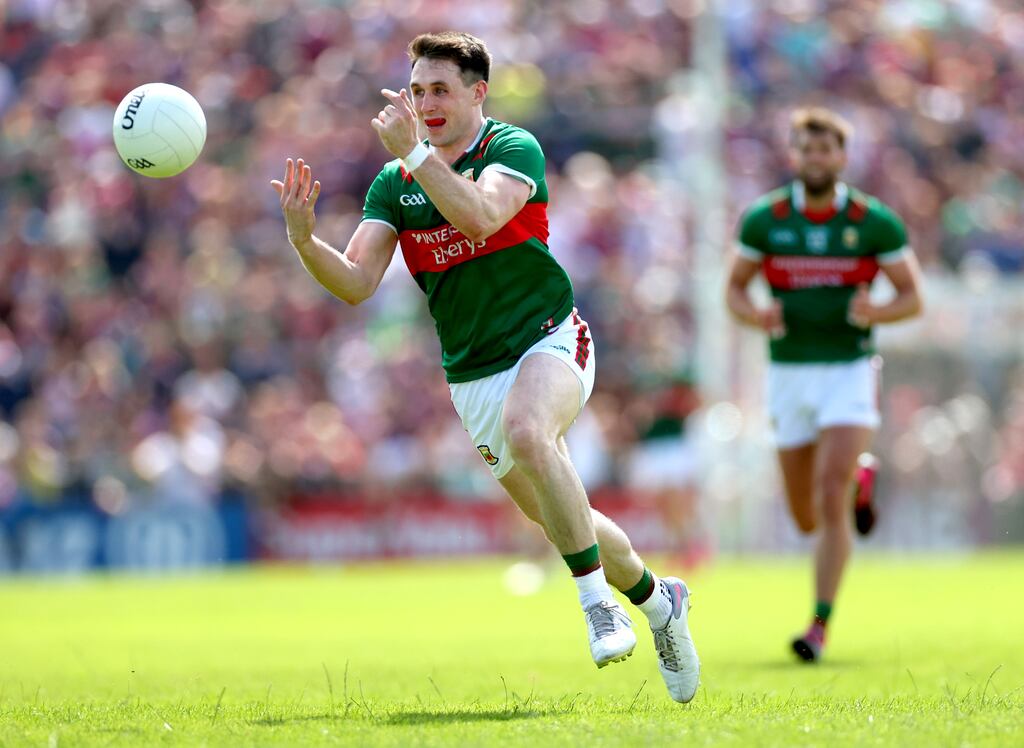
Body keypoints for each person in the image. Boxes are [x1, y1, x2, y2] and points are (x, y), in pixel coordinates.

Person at [270, 31, 699, 702]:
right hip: (472, 375)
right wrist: (302, 238)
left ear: (478, 92)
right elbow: (355, 281)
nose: (426, 103)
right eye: (417, 91)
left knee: (531, 432)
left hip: (550, 338)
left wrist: (412, 152)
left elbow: (479, 216)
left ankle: (596, 607)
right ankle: (657, 600)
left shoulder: (510, 148)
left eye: (440, 89)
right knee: (565, 517)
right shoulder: (394, 184)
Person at [725, 107, 924, 662]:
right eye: (806, 150)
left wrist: (875, 312)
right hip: (788, 374)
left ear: (842, 157)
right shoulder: (765, 219)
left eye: (826, 150)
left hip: (849, 371)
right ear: (794, 156)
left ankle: (819, 624)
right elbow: (735, 292)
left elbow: (913, 297)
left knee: (830, 494)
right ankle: (863, 473)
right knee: (805, 515)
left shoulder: (873, 221)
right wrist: (755, 316)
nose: (816, 159)